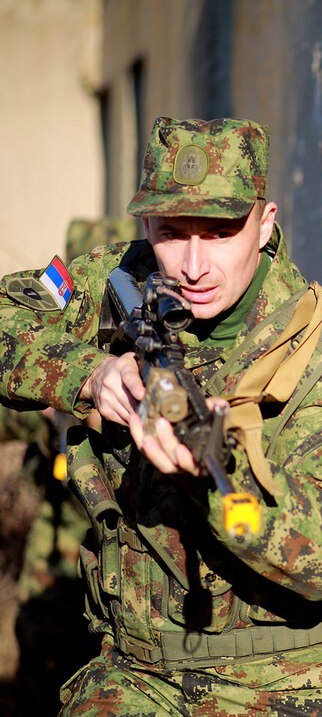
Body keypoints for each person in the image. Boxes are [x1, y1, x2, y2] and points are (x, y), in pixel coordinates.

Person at [0, 117, 322, 714]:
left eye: (220, 233)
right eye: (172, 232)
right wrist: (86, 374)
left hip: (283, 686)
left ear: (265, 224)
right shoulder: (125, 278)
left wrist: (220, 471)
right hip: (140, 672)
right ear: (146, 226)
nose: (193, 266)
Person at [4, 217, 136, 714]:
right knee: (40, 636)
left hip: (122, 525)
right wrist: (55, 386)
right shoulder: (67, 307)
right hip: (64, 519)